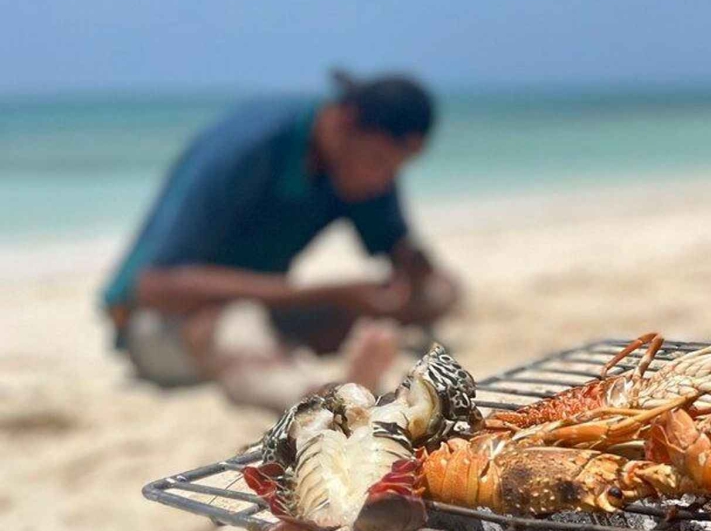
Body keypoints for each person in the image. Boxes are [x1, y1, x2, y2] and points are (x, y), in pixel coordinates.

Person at [101, 71, 461, 410]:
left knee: (444, 291)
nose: (384, 180)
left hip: (268, 311)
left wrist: (415, 272)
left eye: (397, 168)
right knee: (237, 326)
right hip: (156, 324)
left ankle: (325, 375)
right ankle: (326, 403)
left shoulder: (357, 160)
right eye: (378, 161)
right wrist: (324, 294)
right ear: (342, 122)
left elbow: (400, 251)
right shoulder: (245, 149)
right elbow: (153, 286)